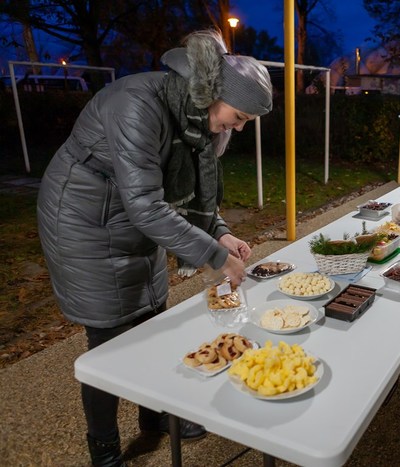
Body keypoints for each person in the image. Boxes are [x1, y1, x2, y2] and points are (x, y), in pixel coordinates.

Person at [36, 30, 272, 467]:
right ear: (212, 93)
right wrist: (215, 257)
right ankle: (104, 447)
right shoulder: (137, 105)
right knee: (108, 339)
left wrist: (218, 233)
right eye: (238, 117)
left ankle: (154, 415)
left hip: (134, 216)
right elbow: (147, 205)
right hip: (84, 219)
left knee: (152, 318)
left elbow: (185, 193)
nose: (238, 128)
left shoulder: (193, 114)